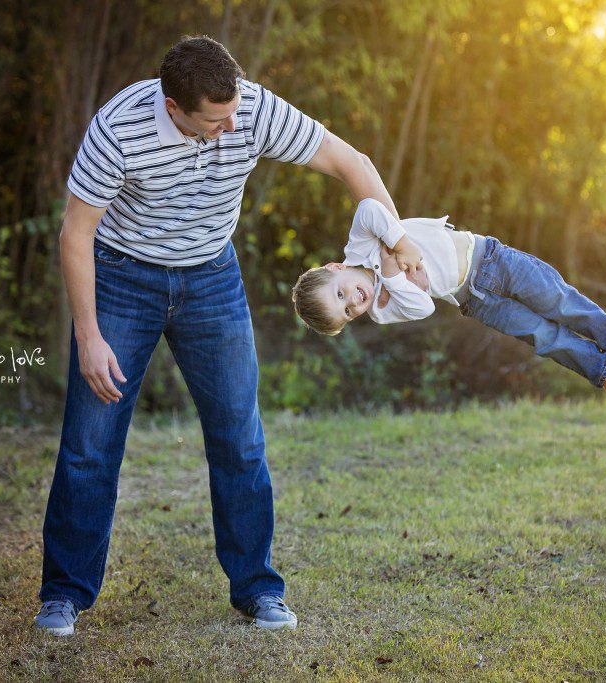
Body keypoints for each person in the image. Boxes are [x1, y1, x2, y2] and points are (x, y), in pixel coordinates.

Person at [36, 35, 402, 635]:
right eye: (217, 118)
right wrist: (89, 334)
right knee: (90, 442)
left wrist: (396, 243)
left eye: (235, 111)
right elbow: (75, 234)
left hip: (211, 276)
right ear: (174, 107)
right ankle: (63, 595)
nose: (234, 126)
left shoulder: (250, 108)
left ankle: (258, 589)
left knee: (239, 437)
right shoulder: (119, 130)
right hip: (124, 276)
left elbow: (350, 163)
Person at [291, 198, 606, 404]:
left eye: (341, 293)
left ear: (335, 267)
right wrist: (391, 275)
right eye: (349, 312)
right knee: (540, 335)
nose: (354, 302)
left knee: (558, 299)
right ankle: (603, 370)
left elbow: (369, 206)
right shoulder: (382, 310)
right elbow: (424, 307)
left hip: (491, 258)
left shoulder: (360, 243)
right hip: (476, 301)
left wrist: (399, 245)